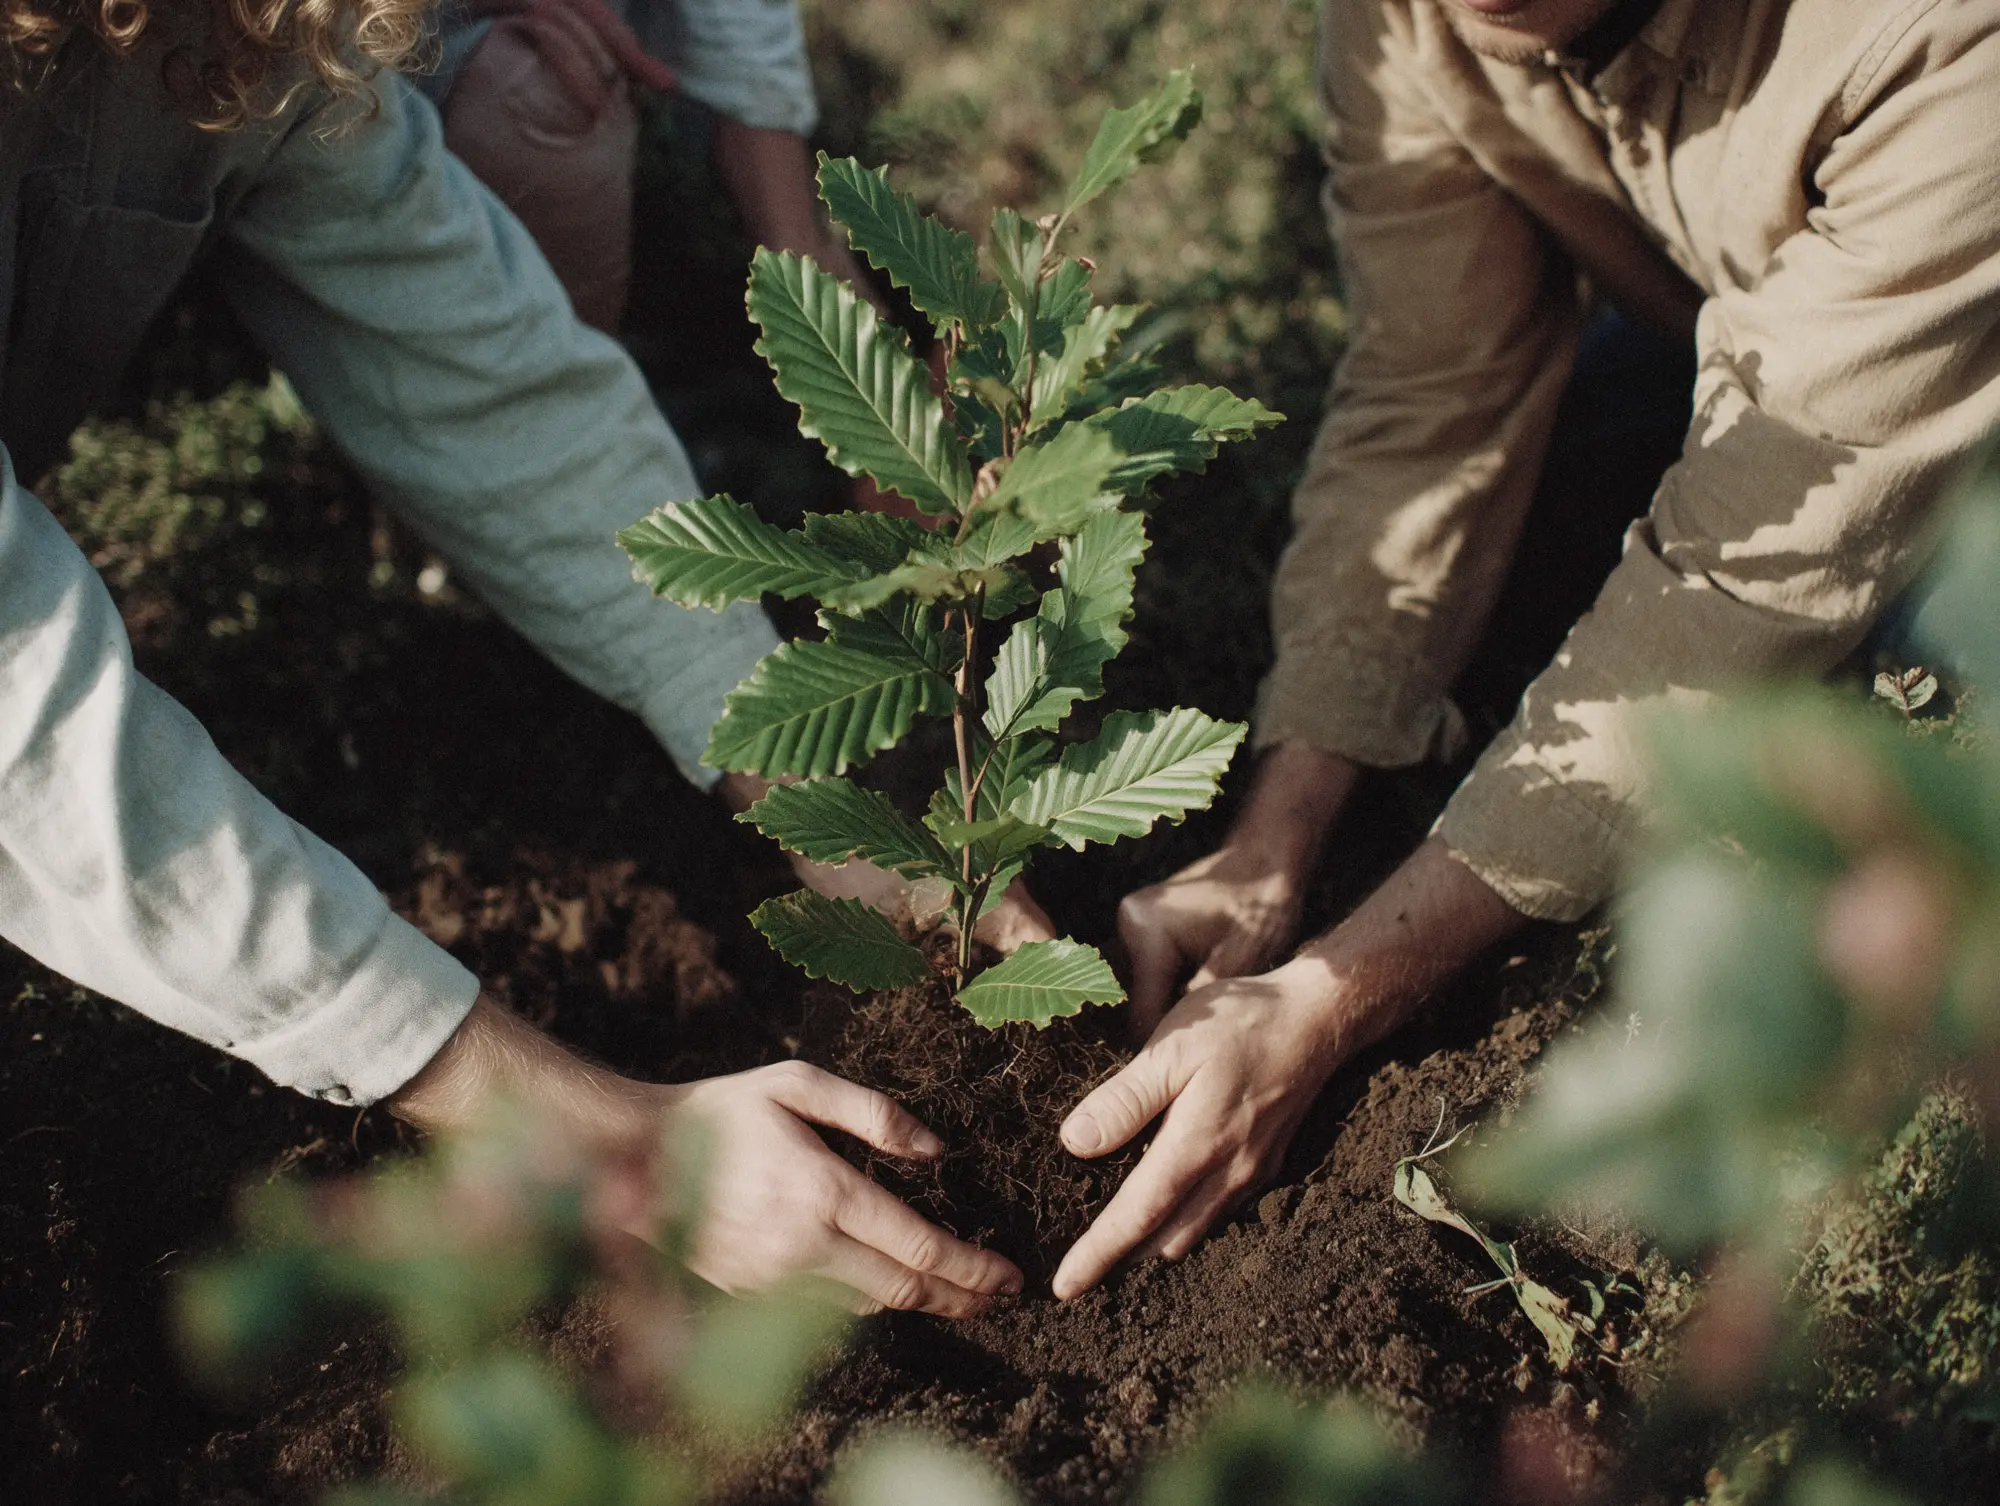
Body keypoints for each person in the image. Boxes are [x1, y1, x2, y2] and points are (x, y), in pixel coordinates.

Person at [0, 0, 1022, 1316]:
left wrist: (789, 769)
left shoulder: (259, 21)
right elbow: (35, 738)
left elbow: (489, 378)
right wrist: (614, 1133)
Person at [1051, 0, 2000, 1299]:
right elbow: (1432, 393)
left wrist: (1335, 996)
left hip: (1926, 351)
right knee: (1557, 504)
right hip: (1762, 320)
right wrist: (1280, 832)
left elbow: (1749, 572)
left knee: (1912, 661)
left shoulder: (1941, 33)